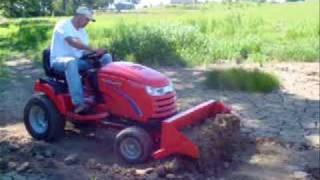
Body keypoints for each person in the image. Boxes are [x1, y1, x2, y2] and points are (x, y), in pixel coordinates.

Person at [50, 6, 112, 113]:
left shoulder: (83, 32)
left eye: (89, 20)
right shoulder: (63, 25)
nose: (87, 22)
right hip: (59, 60)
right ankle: (79, 103)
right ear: (79, 16)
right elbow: (72, 42)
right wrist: (92, 48)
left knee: (106, 58)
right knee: (71, 62)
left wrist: (96, 53)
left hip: (79, 61)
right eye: (86, 19)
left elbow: (83, 51)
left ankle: (106, 95)